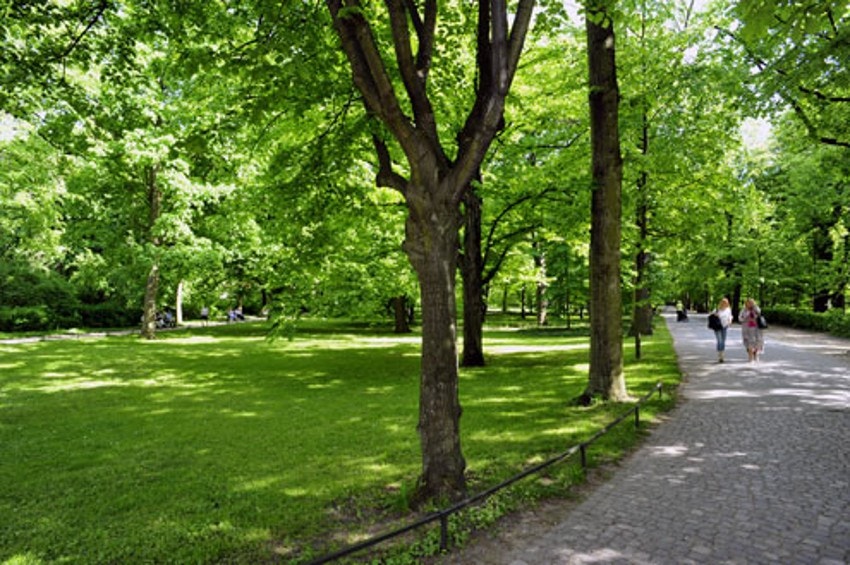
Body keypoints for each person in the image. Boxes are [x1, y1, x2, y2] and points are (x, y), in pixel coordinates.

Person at [738, 298, 764, 362]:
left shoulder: (756, 309)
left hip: (757, 329)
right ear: (746, 303)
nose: (750, 304)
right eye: (748, 302)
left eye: (751, 302)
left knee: (757, 342)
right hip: (747, 329)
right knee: (749, 342)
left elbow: (759, 313)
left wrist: (754, 307)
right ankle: (750, 356)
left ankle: (756, 354)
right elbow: (740, 319)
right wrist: (745, 318)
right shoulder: (743, 310)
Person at [711, 297, 734, 363]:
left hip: (725, 326)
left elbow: (730, 316)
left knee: (723, 341)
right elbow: (711, 316)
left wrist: (730, 320)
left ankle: (722, 354)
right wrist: (715, 315)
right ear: (721, 303)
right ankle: (720, 354)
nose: (724, 303)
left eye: (726, 302)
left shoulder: (728, 309)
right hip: (717, 327)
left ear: (727, 303)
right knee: (719, 340)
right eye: (723, 302)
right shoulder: (717, 309)